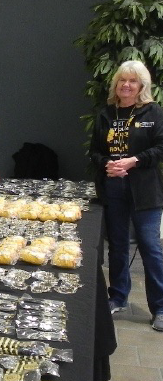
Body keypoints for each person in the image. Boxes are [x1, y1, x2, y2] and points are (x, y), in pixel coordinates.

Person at [90, 59, 163, 331]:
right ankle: (117, 297)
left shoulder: (153, 112)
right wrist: (106, 164)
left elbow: (161, 148)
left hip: (145, 191)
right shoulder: (106, 114)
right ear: (116, 84)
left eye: (133, 81)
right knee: (118, 246)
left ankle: (160, 307)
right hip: (114, 188)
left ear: (142, 85)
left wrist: (134, 161)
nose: (127, 85)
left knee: (150, 247)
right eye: (122, 80)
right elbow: (95, 151)